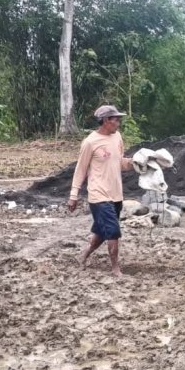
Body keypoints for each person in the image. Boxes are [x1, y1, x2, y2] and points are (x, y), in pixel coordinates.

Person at [68, 105, 134, 276]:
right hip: (99, 194)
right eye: (116, 120)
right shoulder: (90, 142)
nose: (118, 123)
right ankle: (115, 268)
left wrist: (135, 163)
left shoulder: (117, 137)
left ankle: (83, 255)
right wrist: (73, 195)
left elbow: (120, 163)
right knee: (113, 231)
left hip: (116, 193)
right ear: (105, 121)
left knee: (102, 231)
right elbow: (80, 169)